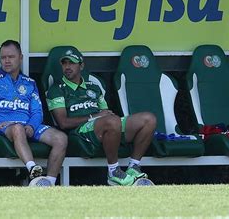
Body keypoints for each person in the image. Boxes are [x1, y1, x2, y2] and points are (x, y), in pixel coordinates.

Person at [46, 48, 156, 186]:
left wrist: (103, 117)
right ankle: (113, 172)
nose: (67, 67)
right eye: (64, 63)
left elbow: (106, 112)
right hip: (79, 132)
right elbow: (63, 123)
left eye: (72, 63)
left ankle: (133, 166)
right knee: (111, 121)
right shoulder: (57, 89)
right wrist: (95, 116)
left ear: (81, 66)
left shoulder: (94, 87)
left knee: (149, 119)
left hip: (103, 125)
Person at [0, 40, 67, 186]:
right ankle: (33, 170)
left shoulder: (29, 82)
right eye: (3, 57)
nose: (7, 61)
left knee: (61, 138)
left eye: (11, 57)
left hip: (28, 126)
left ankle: (48, 183)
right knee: (17, 128)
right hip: (4, 127)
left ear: (20, 58)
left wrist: (32, 126)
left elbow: (37, 111)